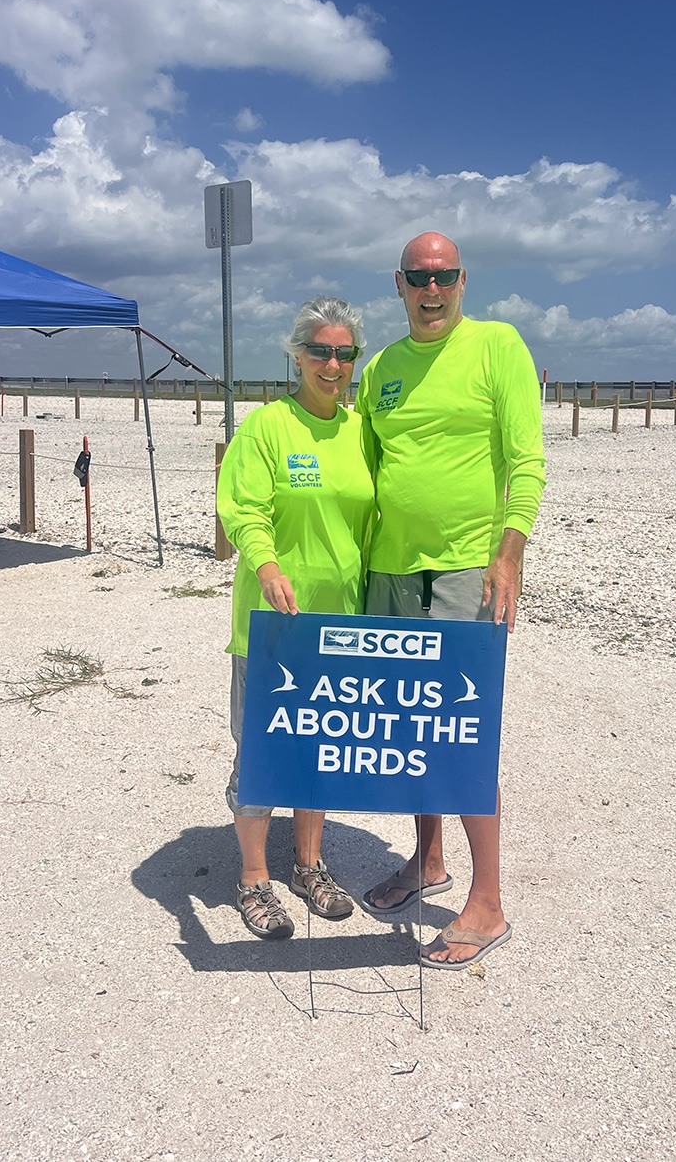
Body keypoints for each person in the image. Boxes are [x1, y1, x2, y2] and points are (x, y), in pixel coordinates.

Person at [355, 231, 545, 969]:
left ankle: (489, 901)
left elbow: (527, 459)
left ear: (463, 280)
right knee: (409, 729)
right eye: (416, 277)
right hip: (391, 571)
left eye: (443, 276)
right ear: (398, 285)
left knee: (462, 732)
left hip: (467, 568)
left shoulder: (497, 345)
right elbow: (361, 464)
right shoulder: (381, 370)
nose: (430, 290)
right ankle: (428, 862)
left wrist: (510, 551)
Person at [216, 296, 374, 939]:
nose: (332, 364)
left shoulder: (363, 429)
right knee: (263, 750)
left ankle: (309, 864)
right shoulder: (267, 428)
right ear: (297, 355)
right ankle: (253, 879)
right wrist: (268, 565)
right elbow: (243, 508)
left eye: (345, 353)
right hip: (274, 620)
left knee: (324, 748)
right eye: (320, 351)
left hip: (342, 623)